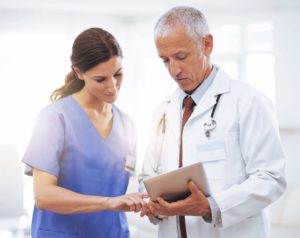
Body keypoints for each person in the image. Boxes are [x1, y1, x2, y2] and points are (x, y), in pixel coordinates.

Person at [138, 6, 286, 238]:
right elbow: (146, 178)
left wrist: (211, 206)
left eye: (181, 57)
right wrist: (151, 205)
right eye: (165, 60)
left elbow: (271, 179)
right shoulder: (162, 112)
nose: (174, 70)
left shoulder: (248, 102)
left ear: (207, 44)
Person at [22, 27, 147, 238]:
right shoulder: (54, 118)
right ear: (79, 72)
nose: (113, 87)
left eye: (118, 74)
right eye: (101, 79)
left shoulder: (127, 125)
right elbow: (44, 195)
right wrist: (108, 202)